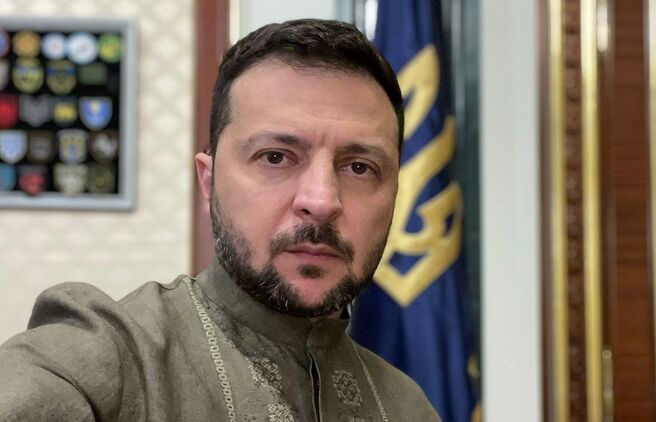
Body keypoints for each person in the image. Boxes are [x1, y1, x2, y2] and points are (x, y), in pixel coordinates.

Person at [0, 19, 439, 421]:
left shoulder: (408, 406)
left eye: (360, 167)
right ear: (209, 181)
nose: (321, 201)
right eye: (275, 157)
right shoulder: (107, 360)